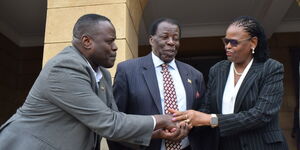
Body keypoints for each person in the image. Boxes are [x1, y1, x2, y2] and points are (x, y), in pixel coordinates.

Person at [0, 14, 185, 150]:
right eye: (109, 41)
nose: (115, 46)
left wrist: (155, 134)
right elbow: (109, 123)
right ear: (87, 41)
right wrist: (164, 119)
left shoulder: (102, 74)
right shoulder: (65, 68)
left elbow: (112, 121)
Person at [171, 16, 289, 150]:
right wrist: (188, 122)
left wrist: (211, 119)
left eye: (234, 42)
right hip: (224, 144)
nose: (227, 46)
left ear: (253, 43)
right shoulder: (218, 69)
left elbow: (261, 114)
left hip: (260, 145)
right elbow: (207, 107)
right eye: (226, 41)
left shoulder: (271, 68)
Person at [107, 18, 211, 150]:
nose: (171, 42)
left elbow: (202, 113)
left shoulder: (195, 75)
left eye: (176, 38)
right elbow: (115, 119)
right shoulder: (128, 70)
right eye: (165, 37)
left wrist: (189, 127)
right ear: (151, 40)